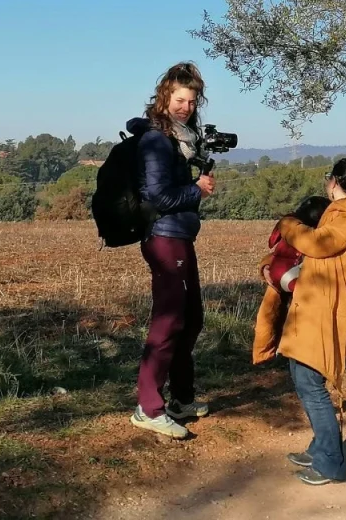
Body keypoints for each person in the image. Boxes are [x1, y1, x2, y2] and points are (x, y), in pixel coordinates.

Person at [252, 152, 346, 485]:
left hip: (327, 310)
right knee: (305, 378)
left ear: (333, 182)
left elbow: (316, 245)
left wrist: (287, 223)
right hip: (315, 305)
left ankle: (331, 463)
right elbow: (311, 258)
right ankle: (320, 447)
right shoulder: (340, 214)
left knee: (311, 384)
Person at [125, 62, 216, 439]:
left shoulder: (177, 139)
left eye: (192, 102)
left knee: (190, 317)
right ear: (164, 96)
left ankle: (181, 399)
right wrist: (198, 189)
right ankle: (148, 407)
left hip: (180, 234)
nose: (186, 108)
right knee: (168, 321)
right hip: (163, 236)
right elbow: (158, 195)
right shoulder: (157, 141)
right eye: (180, 100)